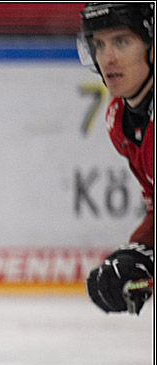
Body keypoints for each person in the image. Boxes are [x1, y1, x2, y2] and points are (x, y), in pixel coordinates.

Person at [78, 2, 154, 315]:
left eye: (122, 41)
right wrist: (138, 253)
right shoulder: (120, 117)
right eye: (99, 44)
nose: (108, 58)